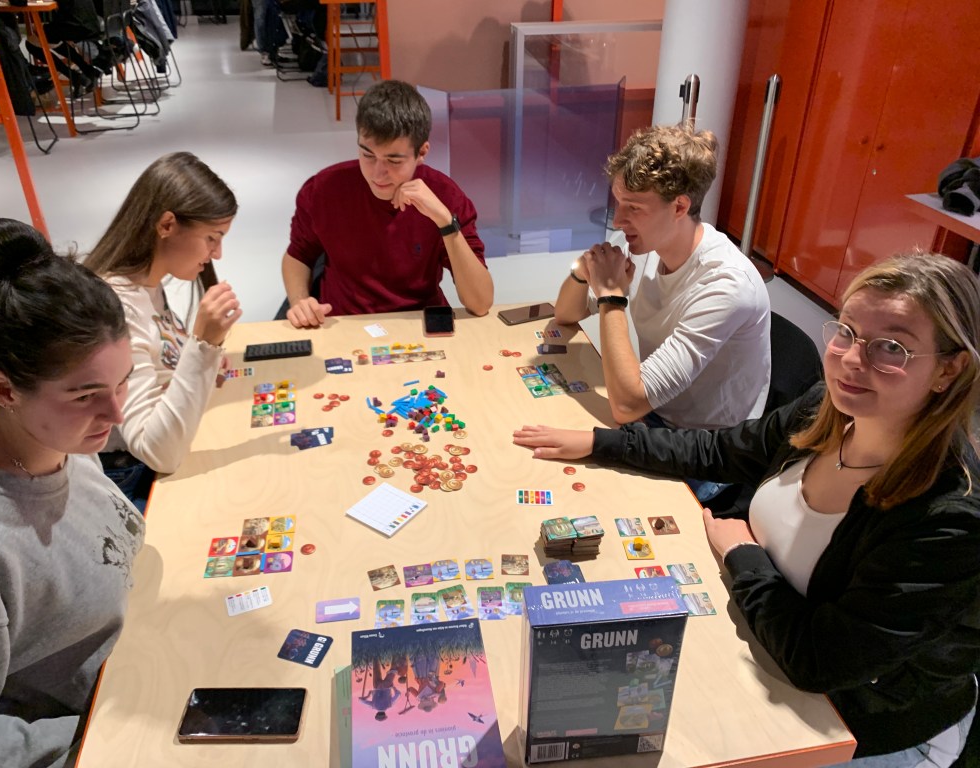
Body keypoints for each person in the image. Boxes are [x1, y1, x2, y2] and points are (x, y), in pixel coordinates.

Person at [514, 252, 980, 765]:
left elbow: (819, 661)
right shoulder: (825, 408)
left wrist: (744, 557)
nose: (851, 359)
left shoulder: (950, 518)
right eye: (847, 331)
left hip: (861, 723)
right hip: (761, 640)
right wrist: (601, 442)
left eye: (891, 347)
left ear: (949, 369)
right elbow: (719, 451)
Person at [0, 218, 144, 768]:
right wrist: (94, 738)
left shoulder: (65, 444)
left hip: (146, 670)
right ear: (4, 390)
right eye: (86, 395)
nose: (116, 414)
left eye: (123, 382)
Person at [553, 124, 771, 432]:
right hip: (653, 414)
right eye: (618, 203)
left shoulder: (727, 285)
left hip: (705, 442)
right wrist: (583, 270)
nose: (618, 220)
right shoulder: (644, 242)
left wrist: (611, 296)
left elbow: (627, 405)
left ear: (679, 207)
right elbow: (565, 314)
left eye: (634, 208)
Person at [83, 152, 242, 503]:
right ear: (167, 225)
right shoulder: (117, 308)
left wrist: (197, 363)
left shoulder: (147, 285)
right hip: (130, 478)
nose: (217, 254)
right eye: (212, 238)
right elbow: (158, 452)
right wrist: (203, 347)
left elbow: (159, 362)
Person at [281, 79, 494, 328]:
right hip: (343, 322)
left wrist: (446, 223)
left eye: (394, 161)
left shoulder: (446, 196)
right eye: (368, 155)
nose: (377, 174)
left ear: (422, 153)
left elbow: (480, 303)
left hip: (418, 322)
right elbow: (298, 255)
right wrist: (300, 301)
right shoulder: (323, 188)